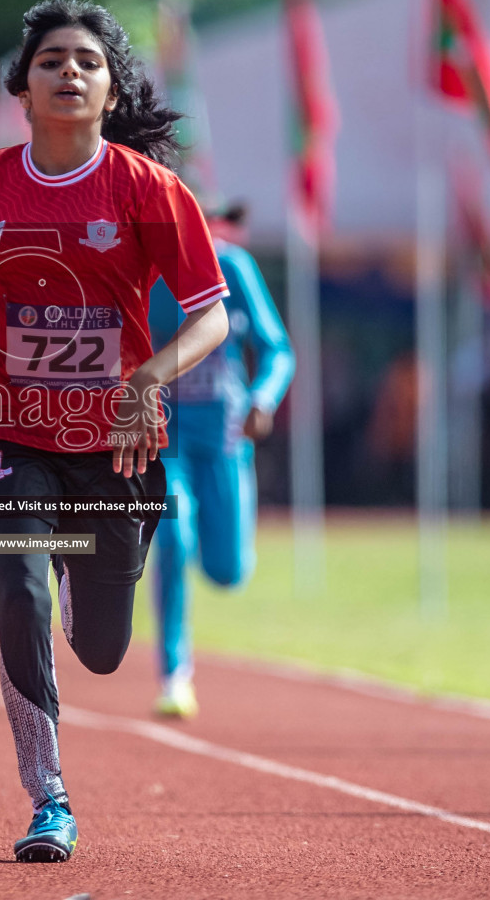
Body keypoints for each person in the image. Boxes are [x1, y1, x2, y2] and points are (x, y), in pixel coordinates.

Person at [0, 0, 229, 862]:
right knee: (18, 585)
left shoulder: (147, 191)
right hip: (7, 432)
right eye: (52, 60)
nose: (70, 71)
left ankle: (87, 580)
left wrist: (147, 376)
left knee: (102, 650)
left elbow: (213, 317)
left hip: (118, 443)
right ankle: (48, 797)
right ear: (21, 89)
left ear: (111, 90)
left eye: (88, 61)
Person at [146, 202, 293, 718]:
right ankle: (174, 674)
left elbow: (278, 349)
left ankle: (204, 550)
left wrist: (262, 399)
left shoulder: (234, 268)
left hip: (225, 439)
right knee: (171, 534)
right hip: (163, 442)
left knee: (228, 571)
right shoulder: (140, 274)